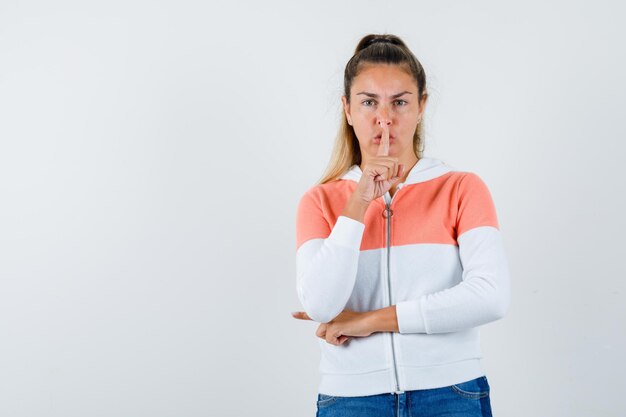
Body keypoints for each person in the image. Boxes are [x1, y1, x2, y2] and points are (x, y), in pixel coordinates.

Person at [291, 33, 510, 417]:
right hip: (351, 400)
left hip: (451, 394)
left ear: (422, 105)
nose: (384, 118)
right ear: (347, 108)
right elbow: (323, 304)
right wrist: (359, 201)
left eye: (400, 102)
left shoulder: (461, 189)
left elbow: (490, 296)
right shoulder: (320, 201)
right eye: (369, 102)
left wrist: (370, 321)